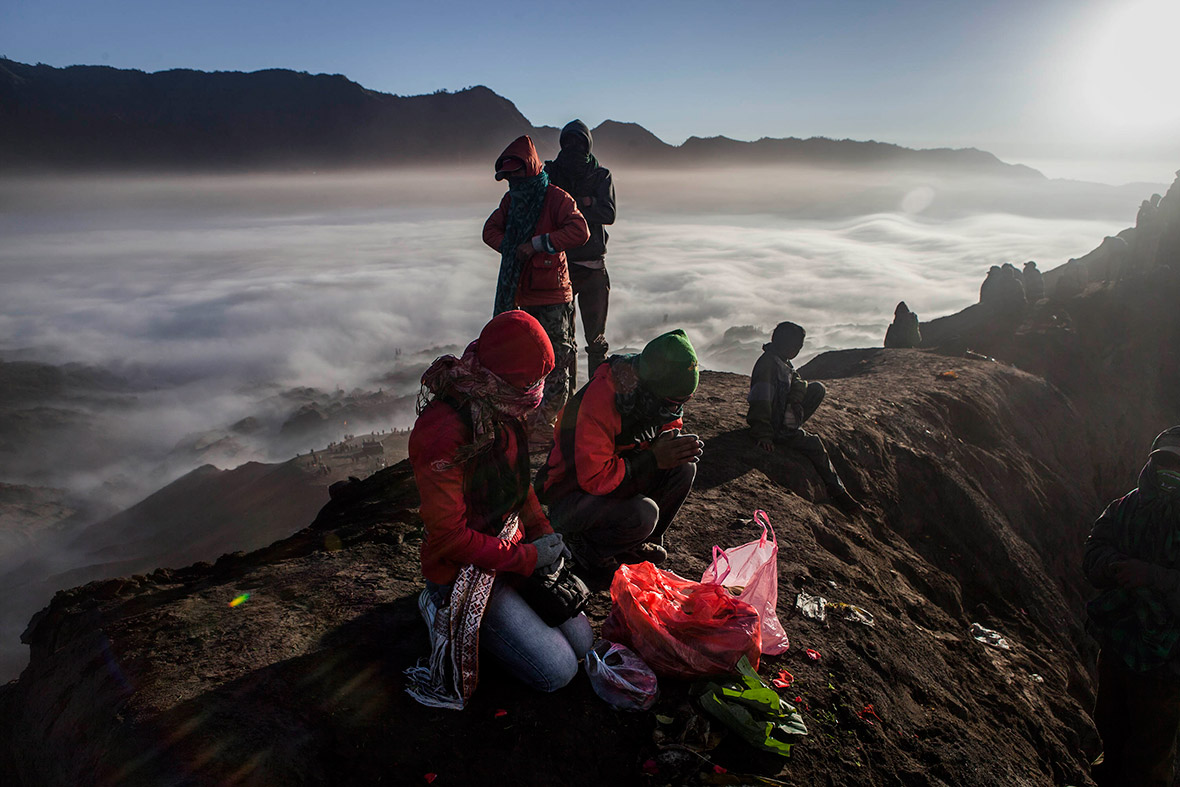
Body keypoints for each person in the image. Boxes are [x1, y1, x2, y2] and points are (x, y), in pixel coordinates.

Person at [405, 311, 593, 708]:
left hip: (507, 550)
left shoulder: (497, 404)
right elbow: (449, 536)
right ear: (507, 379)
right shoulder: (444, 432)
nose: (536, 393)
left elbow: (516, 481)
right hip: (461, 572)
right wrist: (528, 558)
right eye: (530, 383)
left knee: (583, 642)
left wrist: (543, 534)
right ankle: (437, 607)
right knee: (558, 671)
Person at [537, 329, 704, 573]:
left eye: (683, 402)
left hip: (617, 482)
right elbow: (594, 479)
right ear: (654, 390)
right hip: (572, 496)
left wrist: (666, 449)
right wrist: (653, 459)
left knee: (683, 466)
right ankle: (586, 548)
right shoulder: (600, 402)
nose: (676, 409)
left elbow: (668, 427)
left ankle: (635, 544)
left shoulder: (656, 400)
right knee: (644, 513)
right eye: (673, 402)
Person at [1083, 426, 1180, 786]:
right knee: (1108, 738)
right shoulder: (1124, 507)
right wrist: (1112, 566)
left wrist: (1151, 576)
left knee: (1150, 762)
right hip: (1117, 649)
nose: (1170, 471)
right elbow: (1093, 550)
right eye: (1164, 461)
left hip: (1166, 665)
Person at [483, 135, 590, 445]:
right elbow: (489, 231)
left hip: (554, 296)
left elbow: (579, 230)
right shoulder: (512, 201)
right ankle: (532, 419)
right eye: (507, 177)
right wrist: (512, 249)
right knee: (528, 363)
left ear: (528, 169)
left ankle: (550, 424)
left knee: (558, 362)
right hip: (522, 297)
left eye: (515, 174)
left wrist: (538, 245)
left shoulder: (555, 198)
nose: (512, 181)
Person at [747, 321, 861, 512]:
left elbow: (797, 379)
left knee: (817, 389)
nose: (799, 350)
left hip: (782, 413)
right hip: (775, 426)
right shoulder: (768, 365)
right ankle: (839, 492)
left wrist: (797, 395)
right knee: (815, 445)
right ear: (789, 346)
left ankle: (791, 426)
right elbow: (761, 400)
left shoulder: (781, 359)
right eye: (798, 347)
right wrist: (764, 434)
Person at [545, 120, 616, 385]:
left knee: (590, 340)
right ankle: (572, 401)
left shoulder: (599, 175)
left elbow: (608, 214)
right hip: (562, 267)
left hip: (587, 267)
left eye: (578, 142)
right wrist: (586, 202)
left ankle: (589, 398)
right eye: (570, 142)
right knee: (567, 341)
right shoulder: (553, 173)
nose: (574, 147)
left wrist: (570, 204)